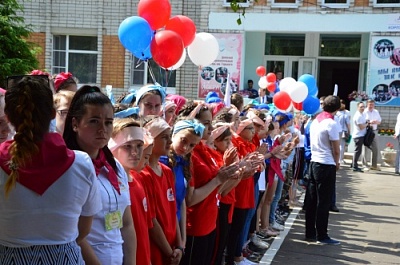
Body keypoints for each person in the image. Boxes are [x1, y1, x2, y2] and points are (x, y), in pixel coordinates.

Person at [0, 75, 101, 264]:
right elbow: (84, 230)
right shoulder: (81, 164)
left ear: (8, 116)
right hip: (64, 258)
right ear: (53, 114)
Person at [63, 85, 137, 265]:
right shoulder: (68, 168)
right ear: (75, 124)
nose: (102, 129)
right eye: (94, 121)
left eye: (108, 122)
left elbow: (126, 223)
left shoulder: (114, 166)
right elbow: (74, 233)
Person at [140, 116, 183, 265]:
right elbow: (152, 221)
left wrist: (179, 245)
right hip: (157, 249)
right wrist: (169, 252)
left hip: (172, 248)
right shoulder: (143, 175)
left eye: (170, 137)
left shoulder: (167, 171)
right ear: (150, 140)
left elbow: (173, 212)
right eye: (164, 137)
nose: (170, 142)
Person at [109, 119, 152, 265]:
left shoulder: (138, 178)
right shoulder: (109, 185)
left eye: (139, 146)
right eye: (127, 146)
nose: (135, 152)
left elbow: (144, 227)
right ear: (112, 148)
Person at [305, 95, 341, 245]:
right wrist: (337, 162)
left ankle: (310, 232)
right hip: (326, 163)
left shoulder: (315, 121)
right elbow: (336, 148)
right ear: (337, 109)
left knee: (312, 200)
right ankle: (322, 234)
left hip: (314, 162)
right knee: (324, 201)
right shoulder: (331, 123)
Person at [364, 99, 382, 170]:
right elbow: (363, 121)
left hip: (374, 131)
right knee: (365, 147)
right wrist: (369, 122)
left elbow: (380, 121)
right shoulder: (365, 112)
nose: (371, 106)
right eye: (369, 104)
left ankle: (374, 165)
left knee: (375, 148)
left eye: (372, 104)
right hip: (366, 130)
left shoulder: (376, 111)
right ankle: (365, 164)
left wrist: (376, 122)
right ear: (367, 104)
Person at [351, 102, 368, 172]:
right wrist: (367, 124)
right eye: (361, 107)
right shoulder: (358, 116)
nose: (362, 108)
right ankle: (354, 166)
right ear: (357, 107)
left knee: (358, 151)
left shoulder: (362, 114)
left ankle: (353, 164)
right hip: (358, 135)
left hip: (361, 135)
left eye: (363, 107)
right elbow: (361, 127)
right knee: (357, 151)